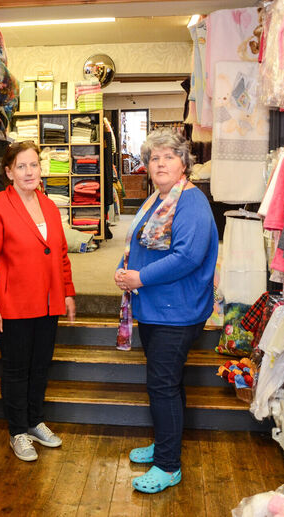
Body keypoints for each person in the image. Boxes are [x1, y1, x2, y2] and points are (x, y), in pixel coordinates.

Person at [114, 128, 218, 493]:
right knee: (167, 385)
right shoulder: (160, 197)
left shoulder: (190, 201)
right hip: (159, 308)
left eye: (168, 157)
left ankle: (169, 465)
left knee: (162, 386)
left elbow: (187, 256)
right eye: (154, 158)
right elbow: (144, 244)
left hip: (177, 310)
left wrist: (138, 277)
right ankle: (165, 444)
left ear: (184, 162)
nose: (160, 163)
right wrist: (126, 271)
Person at [0, 140, 76, 462]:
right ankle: (17, 431)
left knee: (40, 367)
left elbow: (60, 254)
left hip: (48, 303)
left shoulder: (48, 205)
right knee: (16, 370)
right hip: (13, 305)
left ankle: (34, 421)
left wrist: (68, 292)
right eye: (22, 166)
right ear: (9, 172)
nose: (29, 171)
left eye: (34, 165)